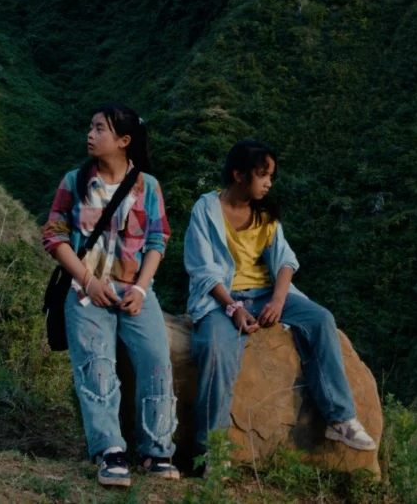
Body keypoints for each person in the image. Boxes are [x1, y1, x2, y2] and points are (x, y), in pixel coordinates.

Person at [184, 139, 376, 465]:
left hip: (264, 294)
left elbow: (285, 261)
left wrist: (277, 300)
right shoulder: (206, 210)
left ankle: (340, 418)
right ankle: (213, 449)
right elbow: (203, 271)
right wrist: (233, 308)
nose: (269, 183)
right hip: (221, 299)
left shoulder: (265, 213)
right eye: (263, 175)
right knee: (216, 348)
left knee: (320, 320)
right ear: (239, 174)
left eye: (271, 176)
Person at [42, 104, 179, 486]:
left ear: (124, 140)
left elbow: (158, 239)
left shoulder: (148, 186)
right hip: (86, 291)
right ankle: (110, 451)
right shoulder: (74, 182)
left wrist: (141, 288)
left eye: (100, 129)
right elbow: (54, 235)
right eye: (91, 127)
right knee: (96, 366)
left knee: (156, 361)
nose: (90, 134)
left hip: (135, 290)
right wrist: (88, 280)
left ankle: (157, 450)